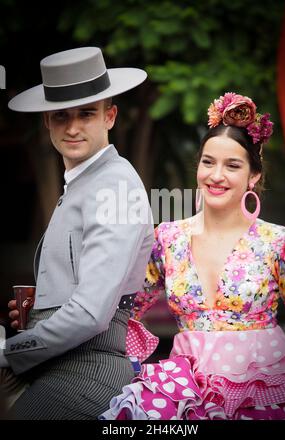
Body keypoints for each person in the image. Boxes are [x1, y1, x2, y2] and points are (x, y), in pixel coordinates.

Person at [101, 92, 285, 420]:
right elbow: (124, 309)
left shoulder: (278, 241)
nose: (216, 175)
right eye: (208, 162)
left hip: (264, 389)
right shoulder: (168, 237)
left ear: (253, 175)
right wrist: (51, 311)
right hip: (183, 389)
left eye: (232, 165)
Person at [0, 46, 154, 419]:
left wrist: (9, 350)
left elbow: (90, 314)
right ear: (47, 123)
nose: (72, 127)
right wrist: (40, 309)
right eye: (60, 116)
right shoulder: (84, 183)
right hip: (57, 365)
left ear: (110, 116)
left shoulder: (114, 183)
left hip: (87, 370)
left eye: (86, 114)